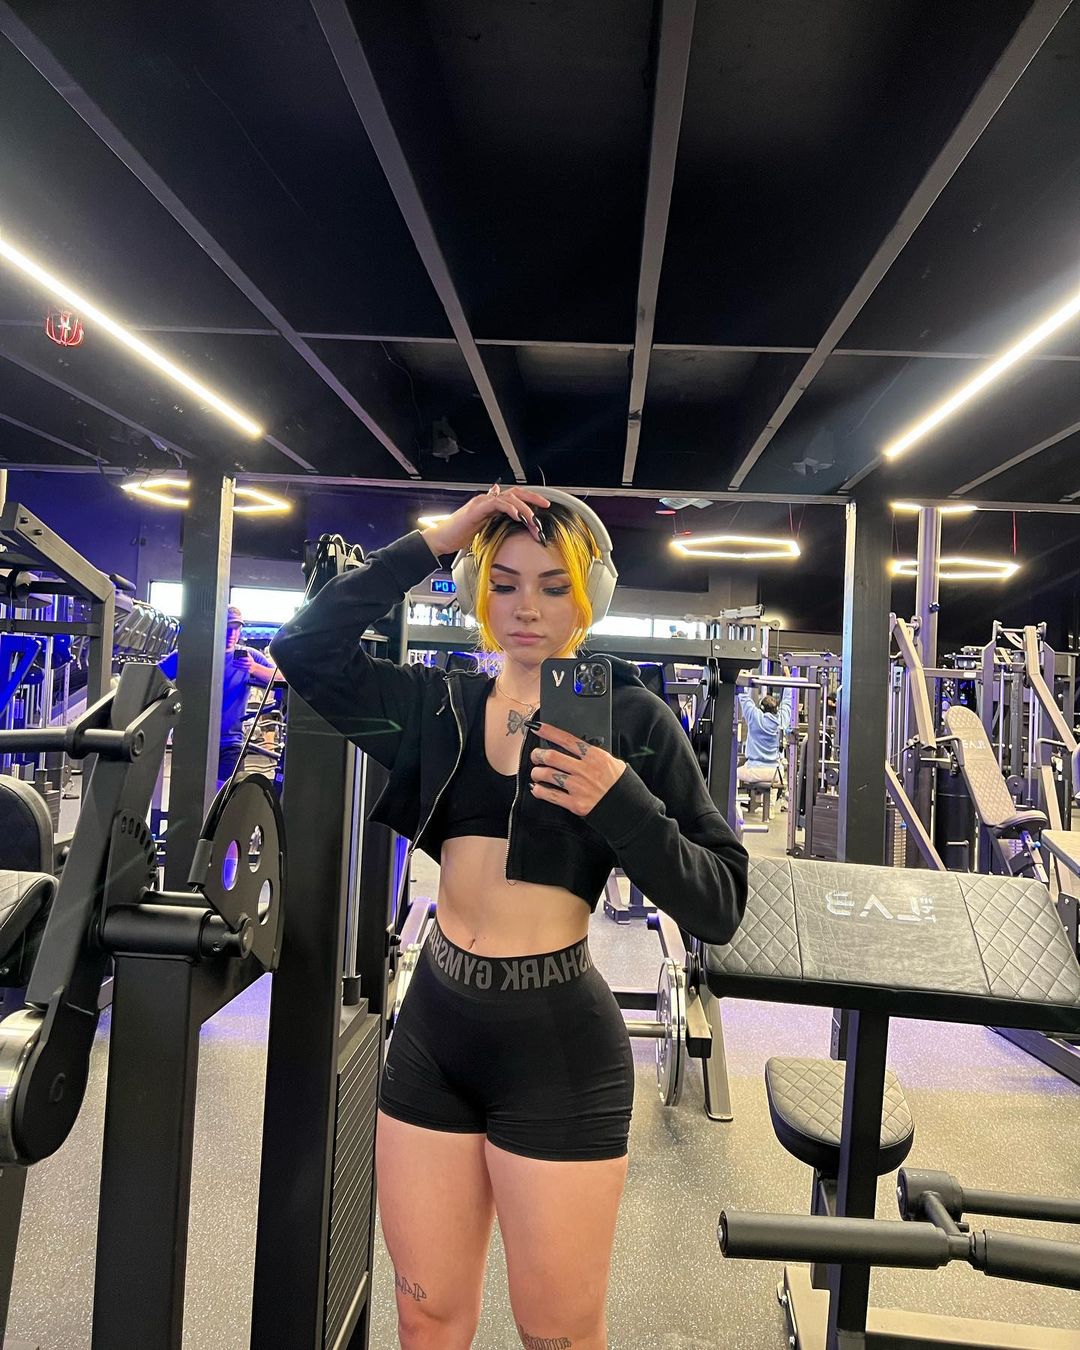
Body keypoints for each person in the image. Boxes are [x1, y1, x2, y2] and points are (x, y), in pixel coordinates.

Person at [269, 485, 748, 1350]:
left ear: (588, 599)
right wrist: (437, 539)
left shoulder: (633, 722)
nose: (528, 608)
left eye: (554, 586)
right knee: (426, 1319)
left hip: (558, 1049)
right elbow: (303, 647)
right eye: (506, 583)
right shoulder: (436, 709)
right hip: (435, 1034)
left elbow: (720, 902)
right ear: (476, 592)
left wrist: (623, 803)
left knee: (556, 1334)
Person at [219, 605, 284, 787]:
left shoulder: (249, 656)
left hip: (230, 742)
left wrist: (254, 668)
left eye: (236, 628)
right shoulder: (197, 653)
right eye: (228, 627)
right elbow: (158, 675)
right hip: (195, 738)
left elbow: (281, 677)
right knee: (192, 792)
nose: (232, 633)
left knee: (224, 794)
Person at [736, 686, 792, 790]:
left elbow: (743, 697)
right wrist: (789, 680)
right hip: (775, 773)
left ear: (761, 709)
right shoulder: (781, 720)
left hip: (753, 771)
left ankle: (732, 800)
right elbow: (788, 700)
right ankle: (769, 800)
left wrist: (741, 681)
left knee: (731, 773)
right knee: (776, 783)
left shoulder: (754, 717)